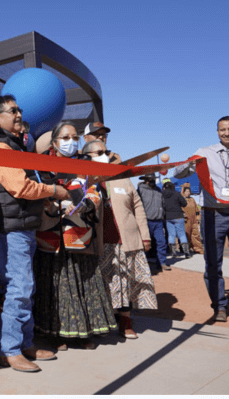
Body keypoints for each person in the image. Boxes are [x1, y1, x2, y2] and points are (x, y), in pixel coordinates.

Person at [0, 96, 69, 372]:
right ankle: (10, 350)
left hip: (20, 227)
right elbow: (20, 187)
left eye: (19, 110)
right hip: (10, 230)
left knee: (23, 289)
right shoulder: (0, 146)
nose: (19, 114)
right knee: (19, 290)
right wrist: (54, 191)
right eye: (13, 110)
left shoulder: (13, 145)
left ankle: (24, 344)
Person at [33, 123, 117, 351]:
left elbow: (96, 189)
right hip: (50, 237)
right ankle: (56, 333)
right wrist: (50, 205)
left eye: (74, 137)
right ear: (54, 142)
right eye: (65, 137)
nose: (70, 141)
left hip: (79, 234)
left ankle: (84, 332)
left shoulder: (85, 166)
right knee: (55, 286)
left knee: (85, 283)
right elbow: (36, 192)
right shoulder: (41, 167)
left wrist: (87, 204)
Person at [174, 116, 229, 325]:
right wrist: (190, 163)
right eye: (223, 130)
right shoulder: (205, 153)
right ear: (217, 132)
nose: (227, 133)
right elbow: (177, 172)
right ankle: (220, 306)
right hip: (212, 214)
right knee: (213, 264)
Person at [91, 140, 158, 340]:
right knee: (105, 284)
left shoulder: (123, 179)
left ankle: (126, 322)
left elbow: (138, 208)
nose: (104, 155)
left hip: (126, 241)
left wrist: (145, 236)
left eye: (106, 152)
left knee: (126, 283)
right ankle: (104, 320)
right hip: (99, 243)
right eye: (98, 152)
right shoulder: (87, 178)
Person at [137, 174, 170, 271]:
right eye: (150, 179)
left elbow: (163, 203)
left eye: (153, 179)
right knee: (145, 243)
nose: (153, 181)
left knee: (161, 242)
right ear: (146, 180)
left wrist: (163, 213)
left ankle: (162, 262)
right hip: (146, 221)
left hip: (158, 221)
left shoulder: (158, 190)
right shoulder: (140, 191)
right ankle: (144, 263)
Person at [162, 179, 189, 257]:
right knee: (182, 234)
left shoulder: (162, 195)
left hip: (168, 217)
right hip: (178, 216)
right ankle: (186, 252)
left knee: (171, 235)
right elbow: (184, 203)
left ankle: (173, 253)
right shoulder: (176, 194)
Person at [181, 183, 203, 255]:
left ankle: (197, 248)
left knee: (195, 234)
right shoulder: (182, 200)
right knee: (187, 234)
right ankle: (187, 249)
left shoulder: (192, 199)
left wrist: (198, 218)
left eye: (189, 191)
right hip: (186, 220)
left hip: (193, 220)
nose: (188, 193)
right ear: (184, 192)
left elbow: (197, 209)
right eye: (186, 191)